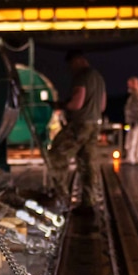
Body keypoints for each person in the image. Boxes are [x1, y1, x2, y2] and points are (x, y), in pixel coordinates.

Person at [47, 49, 107, 208]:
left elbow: (76, 103)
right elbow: (102, 105)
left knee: (56, 155)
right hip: (95, 124)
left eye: (71, 65)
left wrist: (61, 105)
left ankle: (61, 197)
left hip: (80, 124)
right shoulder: (99, 78)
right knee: (88, 163)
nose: (70, 69)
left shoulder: (82, 76)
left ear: (78, 61)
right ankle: (89, 201)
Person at [123, 76, 138, 165]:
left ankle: (132, 157)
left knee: (133, 138)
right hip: (137, 120)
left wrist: (134, 120)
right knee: (136, 138)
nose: (128, 85)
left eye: (129, 83)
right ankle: (137, 157)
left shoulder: (137, 95)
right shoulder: (136, 94)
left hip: (137, 120)